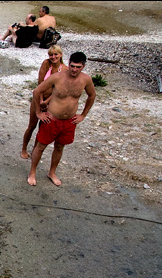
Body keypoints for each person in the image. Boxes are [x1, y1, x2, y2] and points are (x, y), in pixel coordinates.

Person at [27, 52, 95, 187]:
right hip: (51, 119)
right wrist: (39, 112)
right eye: (72, 66)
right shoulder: (57, 78)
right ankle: (32, 172)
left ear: (83, 66)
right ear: (69, 63)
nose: (74, 70)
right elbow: (36, 91)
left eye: (78, 67)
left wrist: (83, 115)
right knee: (41, 146)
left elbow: (92, 95)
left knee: (59, 147)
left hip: (69, 121)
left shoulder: (85, 79)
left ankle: (52, 172)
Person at [22, 45, 67, 159]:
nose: (53, 57)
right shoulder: (46, 64)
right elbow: (40, 83)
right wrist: (41, 100)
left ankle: (35, 150)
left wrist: (46, 102)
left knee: (42, 128)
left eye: (56, 54)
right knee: (31, 125)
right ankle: (24, 148)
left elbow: (59, 90)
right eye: (51, 54)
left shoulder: (65, 70)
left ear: (60, 54)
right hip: (39, 99)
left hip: (51, 102)